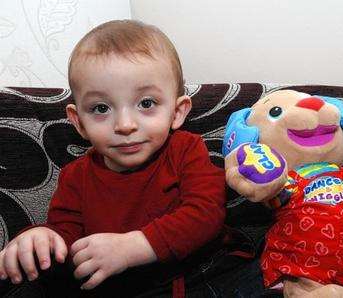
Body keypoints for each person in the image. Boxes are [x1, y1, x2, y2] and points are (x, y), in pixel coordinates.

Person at [0, 20, 232, 297]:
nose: (124, 125)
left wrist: (135, 246)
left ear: (178, 111)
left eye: (146, 103)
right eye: (100, 108)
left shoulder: (186, 149)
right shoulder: (76, 175)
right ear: (79, 122)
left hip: (196, 275)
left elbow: (206, 214)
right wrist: (43, 238)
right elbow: (68, 235)